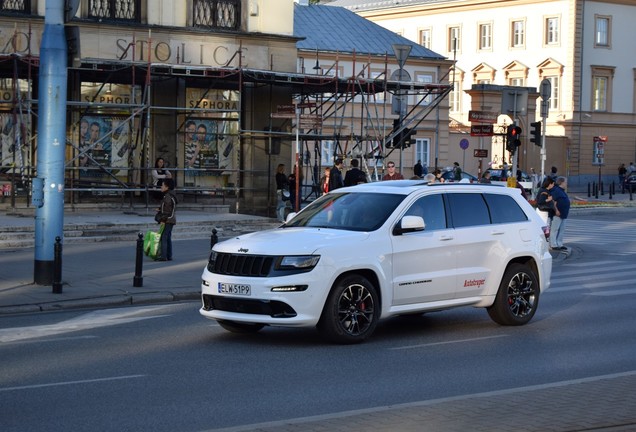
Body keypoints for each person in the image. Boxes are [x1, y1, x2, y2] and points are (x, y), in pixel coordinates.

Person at [156, 178, 177, 261]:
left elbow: (167, 211)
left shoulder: (167, 196)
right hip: (171, 219)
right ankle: (169, 255)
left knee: (163, 237)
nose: (161, 186)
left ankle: (163, 256)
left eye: (163, 185)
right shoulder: (171, 195)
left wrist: (162, 220)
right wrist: (160, 209)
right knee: (167, 237)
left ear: (167, 187)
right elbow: (168, 208)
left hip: (168, 219)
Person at [549, 176, 570, 251]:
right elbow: (553, 202)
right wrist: (556, 210)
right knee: (555, 229)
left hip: (563, 214)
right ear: (561, 182)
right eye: (565, 182)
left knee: (562, 230)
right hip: (557, 214)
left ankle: (559, 243)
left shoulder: (562, 191)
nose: (566, 184)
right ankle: (553, 244)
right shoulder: (557, 190)